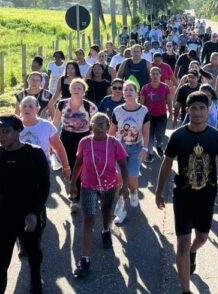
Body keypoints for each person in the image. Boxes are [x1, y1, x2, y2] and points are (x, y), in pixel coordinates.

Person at [154, 92, 218, 294]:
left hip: (207, 196)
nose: (197, 112)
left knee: (202, 237)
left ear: (208, 109)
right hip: (183, 197)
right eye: (194, 108)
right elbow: (166, 163)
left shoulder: (217, 137)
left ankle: (193, 252)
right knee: (182, 245)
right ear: (187, 110)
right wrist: (158, 191)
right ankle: (185, 290)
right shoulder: (178, 136)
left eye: (202, 108)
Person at [0, 115, 50, 294]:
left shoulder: (34, 153)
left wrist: (35, 212)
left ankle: (36, 281)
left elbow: (44, 186)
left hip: (29, 216)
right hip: (1, 217)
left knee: (33, 253)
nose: (1, 136)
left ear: (18, 131)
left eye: (6, 131)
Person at [71, 113, 130, 278]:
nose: (98, 127)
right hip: (88, 185)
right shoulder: (84, 142)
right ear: (90, 125)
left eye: (102, 124)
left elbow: (123, 165)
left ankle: (105, 230)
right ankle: (85, 259)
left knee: (106, 212)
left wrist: (125, 186)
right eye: (95, 124)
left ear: (108, 126)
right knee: (88, 219)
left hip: (109, 185)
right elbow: (78, 163)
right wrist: (73, 183)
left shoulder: (114, 143)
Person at [52, 79, 98, 213]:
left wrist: (95, 141)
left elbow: (96, 125)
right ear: (70, 90)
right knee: (71, 166)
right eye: (74, 87)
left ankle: (80, 194)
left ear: (84, 91)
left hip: (84, 137)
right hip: (66, 137)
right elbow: (55, 123)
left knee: (83, 165)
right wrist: (51, 140)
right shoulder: (62, 104)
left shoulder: (90, 106)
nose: (76, 90)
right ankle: (75, 194)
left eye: (79, 88)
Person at [109, 81, 150, 224]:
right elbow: (112, 131)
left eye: (131, 90)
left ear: (136, 92)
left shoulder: (143, 110)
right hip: (119, 148)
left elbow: (146, 132)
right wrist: (108, 149)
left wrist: (145, 149)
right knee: (118, 179)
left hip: (136, 148)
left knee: (132, 179)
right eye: (125, 90)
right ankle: (121, 207)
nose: (128, 92)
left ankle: (133, 191)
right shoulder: (117, 110)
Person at [19, 96, 71, 181]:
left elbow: (59, 148)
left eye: (31, 106)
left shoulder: (46, 126)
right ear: (20, 109)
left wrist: (66, 167)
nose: (27, 109)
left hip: (41, 166)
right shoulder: (14, 126)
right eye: (24, 106)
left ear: (37, 109)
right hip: (19, 166)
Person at [140, 66, 174, 161]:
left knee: (160, 134)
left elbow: (169, 101)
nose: (155, 76)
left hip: (162, 115)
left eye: (157, 74)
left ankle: (159, 146)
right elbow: (141, 103)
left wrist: (171, 114)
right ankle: (150, 153)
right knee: (150, 135)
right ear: (150, 75)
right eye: (153, 74)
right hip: (149, 116)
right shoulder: (145, 88)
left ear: (160, 75)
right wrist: (141, 116)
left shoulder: (165, 87)